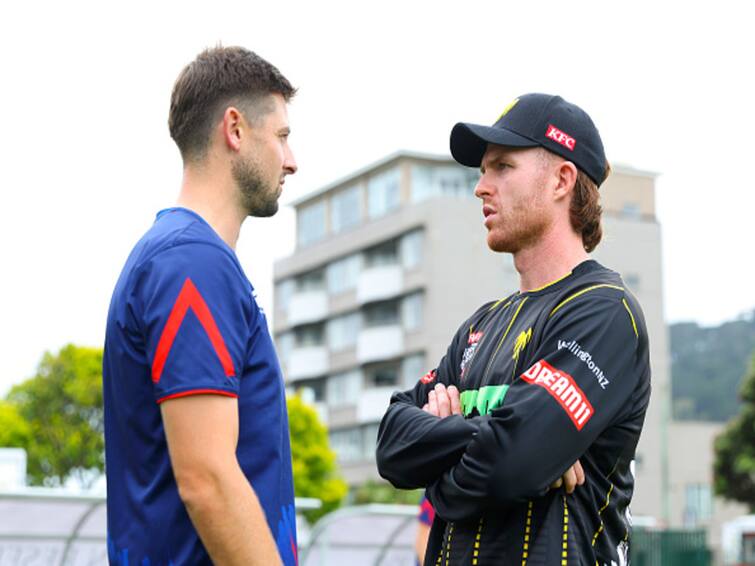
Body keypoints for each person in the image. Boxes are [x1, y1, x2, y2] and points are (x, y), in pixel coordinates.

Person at [376, 93, 650, 565]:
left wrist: (448, 458)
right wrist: (507, 440)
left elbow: (508, 466)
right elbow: (392, 444)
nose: (481, 187)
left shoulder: (605, 312)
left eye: (502, 167)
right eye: (483, 171)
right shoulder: (481, 324)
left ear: (562, 180)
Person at [103, 46, 298, 566]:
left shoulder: (183, 256)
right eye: (281, 136)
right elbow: (207, 478)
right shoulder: (192, 261)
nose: (292, 160)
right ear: (235, 129)